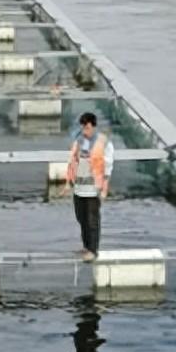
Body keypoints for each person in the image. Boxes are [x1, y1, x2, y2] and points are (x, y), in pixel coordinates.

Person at [64, 112, 114, 262]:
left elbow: (108, 166)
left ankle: (93, 250)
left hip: (93, 188)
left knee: (92, 219)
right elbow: (72, 161)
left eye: (86, 126)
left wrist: (104, 188)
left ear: (93, 125)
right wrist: (69, 183)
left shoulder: (104, 143)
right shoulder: (78, 140)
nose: (84, 130)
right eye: (82, 126)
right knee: (81, 218)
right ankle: (86, 246)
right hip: (79, 187)